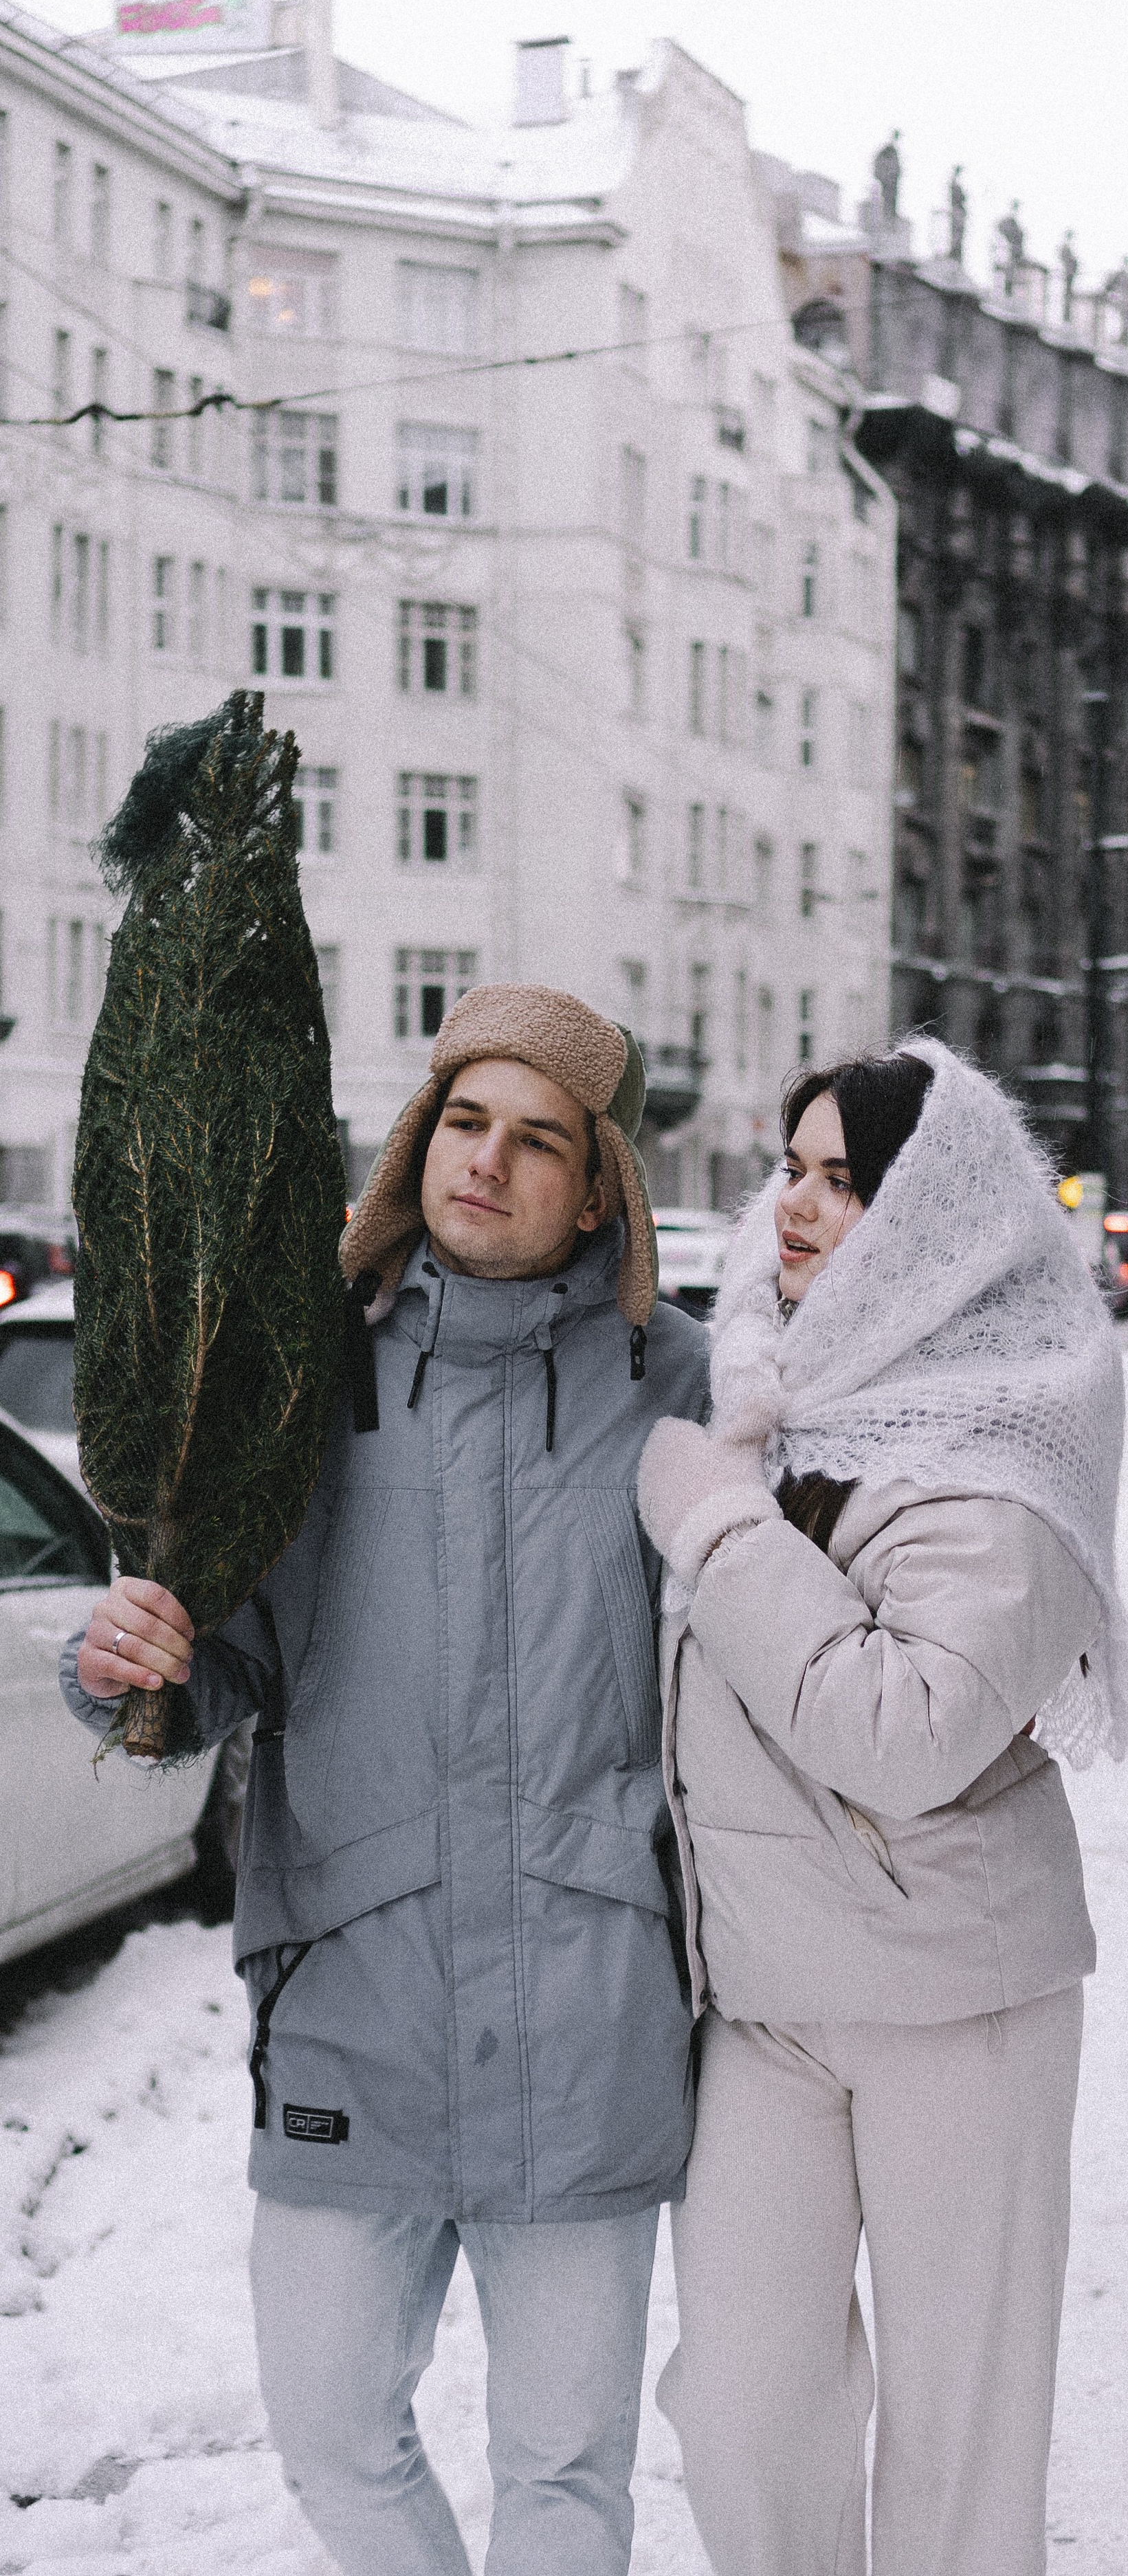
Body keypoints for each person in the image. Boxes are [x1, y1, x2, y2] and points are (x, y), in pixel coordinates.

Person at [63, 985, 708, 2576]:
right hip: (360, 1987)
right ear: (419, 1142)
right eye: (464, 1123)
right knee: (336, 2432)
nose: (488, 1161)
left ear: (596, 1183)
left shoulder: (674, 1382)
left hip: (589, 2001)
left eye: (537, 1138)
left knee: (565, 2471)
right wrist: (137, 1656)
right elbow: (231, 1659)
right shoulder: (308, 1379)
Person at [635, 1038, 1127, 2576]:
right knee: (738, 2405)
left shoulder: (1010, 1434)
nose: (797, 1205)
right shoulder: (767, 1384)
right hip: (764, 1995)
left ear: (939, 1219)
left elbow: (905, 1731)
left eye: (847, 1182)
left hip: (954, 1997)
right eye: (793, 1166)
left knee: (959, 2442)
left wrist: (719, 1534)